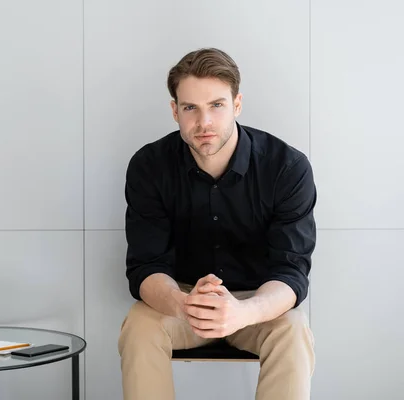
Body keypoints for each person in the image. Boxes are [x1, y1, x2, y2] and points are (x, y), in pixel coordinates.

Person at [118, 48, 316, 400]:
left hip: (258, 302)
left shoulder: (287, 167)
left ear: (237, 104)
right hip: (180, 298)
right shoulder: (149, 166)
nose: (204, 122)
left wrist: (243, 311)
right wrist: (182, 303)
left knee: (294, 329)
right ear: (174, 110)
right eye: (191, 107)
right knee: (139, 326)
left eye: (217, 105)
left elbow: (292, 271)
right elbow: (145, 267)